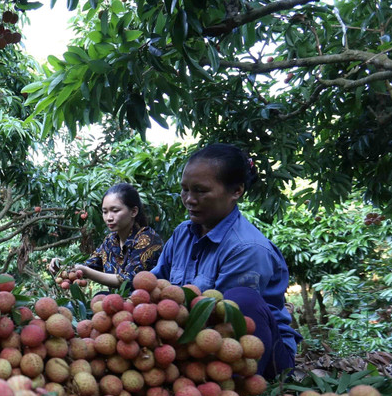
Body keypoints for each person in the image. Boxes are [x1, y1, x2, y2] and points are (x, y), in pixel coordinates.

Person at [151, 143, 301, 378]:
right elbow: (155, 282)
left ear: (236, 192)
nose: (189, 199)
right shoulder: (182, 233)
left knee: (241, 300)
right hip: (196, 341)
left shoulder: (247, 248)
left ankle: (242, 385)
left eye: (200, 190)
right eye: (185, 189)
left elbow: (221, 319)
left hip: (259, 353)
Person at [48, 183, 163, 288]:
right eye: (105, 212)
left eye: (115, 210)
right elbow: (88, 266)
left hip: (144, 306)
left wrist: (85, 271)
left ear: (133, 211)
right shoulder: (110, 241)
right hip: (116, 306)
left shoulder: (147, 238)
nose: (109, 217)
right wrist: (63, 265)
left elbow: (130, 280)